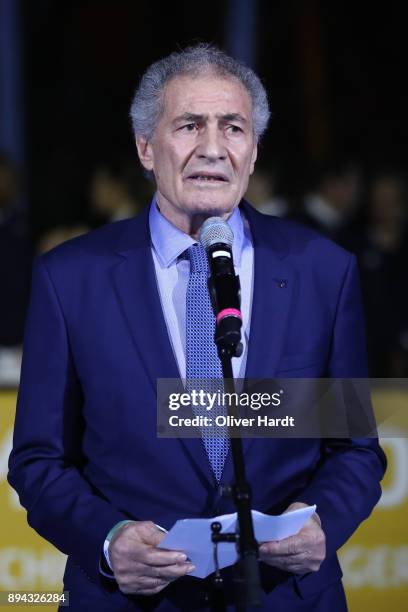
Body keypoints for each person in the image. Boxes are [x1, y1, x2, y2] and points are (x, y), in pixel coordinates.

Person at [8, 44, 386, 611]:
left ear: (254, 151)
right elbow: (38, 461)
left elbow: (355, 450)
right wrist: (108, 541)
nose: (212, 148)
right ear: (144, 147)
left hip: (285, 599)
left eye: (233, 127)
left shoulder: (322, 271)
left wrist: (322, 524)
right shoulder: (71, 279)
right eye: (189, 125)